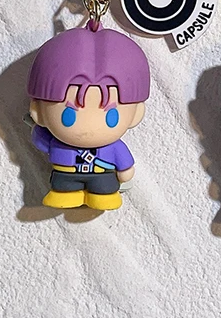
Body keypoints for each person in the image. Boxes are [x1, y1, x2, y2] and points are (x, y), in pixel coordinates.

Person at [27, 23, 150, 211]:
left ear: (136, 114)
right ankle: (65, 194)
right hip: (65, 176)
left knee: (104, 190)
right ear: (38, 112)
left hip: (102, 177)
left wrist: (125, 171)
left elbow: (124, 163)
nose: (89, 127)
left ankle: (102, 196)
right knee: (64, 187)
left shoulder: (113, 147)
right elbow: (40, 141)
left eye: (111, 117)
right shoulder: (55, 140)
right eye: (69, 115)